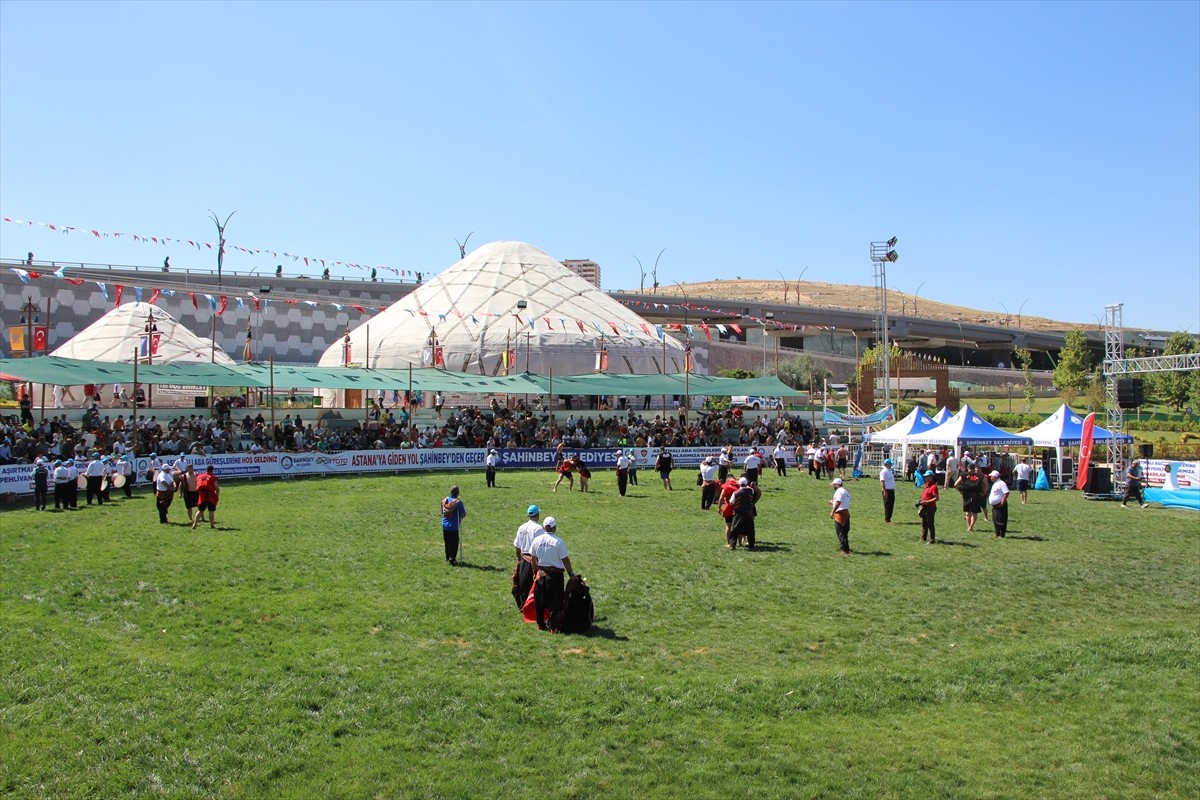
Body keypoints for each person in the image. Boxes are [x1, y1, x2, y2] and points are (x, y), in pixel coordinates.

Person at [529, 516, 574, 631]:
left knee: (539, 600)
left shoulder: (536, 540)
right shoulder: (558, 542)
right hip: (555, 575)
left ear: (544, 527)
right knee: (556, 601)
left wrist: (535, 571)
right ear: (554, 528)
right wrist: (571, 574)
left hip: (541, 573)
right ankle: (553, 626)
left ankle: (540, 624)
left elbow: (533, 558)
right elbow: (565, 560)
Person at [512, 505, 544, 609]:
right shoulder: (538, 528)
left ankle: (523, 606)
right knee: (535, 585)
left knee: (523, 584)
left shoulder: (521, 527)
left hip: (523, 559)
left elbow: (517, 547)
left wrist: (519, 560)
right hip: (534, 560)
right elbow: (541, 546)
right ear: (537, 515)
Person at [729, 476, 761, 549]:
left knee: (735, 529)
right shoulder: (751, 491)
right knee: (750, 529)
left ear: (739, 484)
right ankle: (751, 545)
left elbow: (731, 502)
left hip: (738, 513)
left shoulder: (736, 493)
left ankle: (732, 545)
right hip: (748, 512)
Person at [440, 485, 466, 566]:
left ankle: (447, 556)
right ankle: (452, 559)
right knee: (454, 543)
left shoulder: (444, 501)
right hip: (454, 526)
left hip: (445, 525)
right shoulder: (458, 503)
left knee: (447, 542)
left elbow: (442, 511)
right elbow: (463, 514)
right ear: (457, 493)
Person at [955, 463, 985, 532]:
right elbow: (985, 485)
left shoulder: (963, 475)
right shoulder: (980, 476)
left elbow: (955, 484)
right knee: (974, 512)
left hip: (966, 494)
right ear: (974, 468)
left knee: (967, 512)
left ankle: (969, 527)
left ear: (968, 468)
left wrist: (961, 492)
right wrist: (983, 492)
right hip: (976, 494)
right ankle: (971, 526)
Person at [829, 477, 851, 555]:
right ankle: (846, 547)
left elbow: (838, 502)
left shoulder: (839, 492)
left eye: (833, 485)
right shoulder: (845, 491)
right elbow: (840, 502)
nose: (833, 486)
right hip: (846, 512)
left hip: (840, 514)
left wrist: (832, 512)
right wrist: (832, 502)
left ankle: (845, 550)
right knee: (844, 532)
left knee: (841, 532)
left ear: (837, 484)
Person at [917, 469, 939, 543]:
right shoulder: (926, 486)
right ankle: (923, 538)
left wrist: (926, 502)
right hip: (924, 507)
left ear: (931, 477)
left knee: (930, 523)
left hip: (930, 508)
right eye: (925, 477)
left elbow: (936, 498)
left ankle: (931, 539)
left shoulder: (933, 487)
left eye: (927, 477)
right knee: (924, 523)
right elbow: (924, 496)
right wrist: (920, 501)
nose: (926, 478)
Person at [988, 470, 1011, 537]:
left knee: (1001, 519)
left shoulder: (1001, 483)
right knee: (995, 519)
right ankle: (997, 532)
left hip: (1000, 505)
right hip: (995, 506)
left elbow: (1006, 492)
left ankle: (1002, 533)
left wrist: (1002, 502)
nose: (990, 477)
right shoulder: (995, 484)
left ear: (995, 477)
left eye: (991, 476)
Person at [879, 458, 896, 524]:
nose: (891, 465)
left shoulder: (889, 471)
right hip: (887, 490)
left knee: (891, 504)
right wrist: (884, 491)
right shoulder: (884, 471)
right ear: (887, 464)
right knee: (887, 505)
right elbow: (882, 481)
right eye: (890, 464)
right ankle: (887, 519)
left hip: (891, 490)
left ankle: (889, 518)